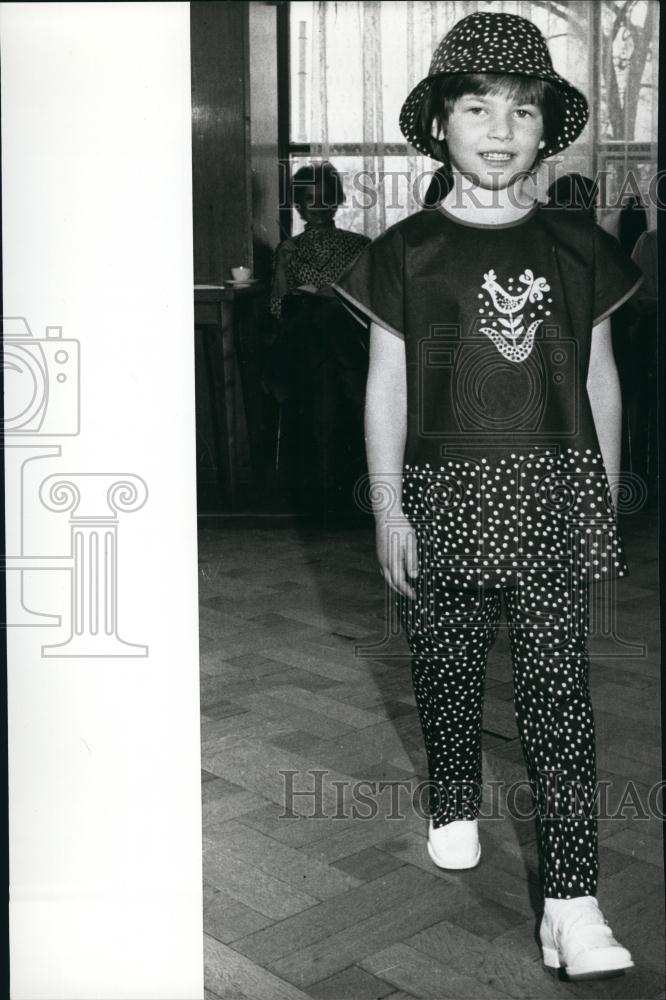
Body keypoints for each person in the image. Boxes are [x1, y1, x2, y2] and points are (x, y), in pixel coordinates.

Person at [334, 11, 642, 982]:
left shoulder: (578, 246)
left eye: (522, 108)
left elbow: (600, 377)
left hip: (549, 489)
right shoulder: (405, 250)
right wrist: (388, 507)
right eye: (478, 106)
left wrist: (602, 495)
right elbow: (387, 384)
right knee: (447, 668)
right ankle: (454, 795)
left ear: (546, 126)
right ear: (441, 123)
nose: (500, 128)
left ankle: (573, 903)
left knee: (560, 695)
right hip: (440, 491)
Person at [267, 162, 371, 513]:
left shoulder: (360, 245)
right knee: (317, 324)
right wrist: (282, 267)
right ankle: (330, 490)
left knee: (329, 327)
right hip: (303, 347)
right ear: (298, 205)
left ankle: (325, 490)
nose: (319, 206)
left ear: (339, 200)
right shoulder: (288, 250)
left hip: (340, 342)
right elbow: (279, 310)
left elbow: (369, 305)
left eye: (327, 198)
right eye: (310, 200)